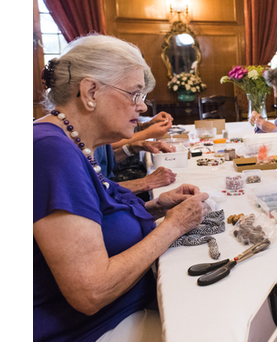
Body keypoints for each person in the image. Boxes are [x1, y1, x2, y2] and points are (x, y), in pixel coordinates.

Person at [34, 34, 211, 342]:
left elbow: (94, 221)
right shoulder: (51, 152)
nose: (142, 106)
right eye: (134, 93)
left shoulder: (71, 144)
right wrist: (173, 227)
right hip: (90, 329)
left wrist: (154, 206)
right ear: (90, 91)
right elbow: (91, 291)